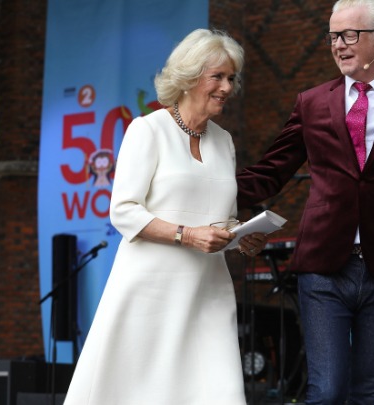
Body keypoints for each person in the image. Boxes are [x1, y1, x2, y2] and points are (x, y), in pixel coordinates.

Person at [236, 0, 374, 403]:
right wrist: (204, 188)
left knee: (370, 392)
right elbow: (270, 172)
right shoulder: (311, 102)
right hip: (323, 269)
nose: (339, 45)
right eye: (333, 36)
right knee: (328, 390)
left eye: (350, 35)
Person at [63, 29, 267, 405]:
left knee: (216, 394)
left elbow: (223, 219)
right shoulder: (147, 130)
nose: (226, 87)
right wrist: (188, 235)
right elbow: (123, 211)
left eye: (231, 78)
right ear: (189, 78)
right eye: (217, 77)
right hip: (149, 293)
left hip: (208, 293)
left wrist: (243, 236)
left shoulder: (225, 141)